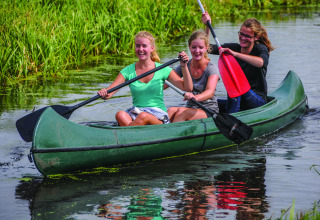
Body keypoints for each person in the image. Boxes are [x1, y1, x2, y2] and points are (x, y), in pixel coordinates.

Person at [98, 31, 193, 126]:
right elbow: (109, 94)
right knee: (120, 115)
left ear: (152, 48)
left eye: (144, 46)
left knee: (143, 116)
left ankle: (129, 135)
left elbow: (187, 88)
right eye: (137, 46)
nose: (140, 49)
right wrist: (104, 92)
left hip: (157, 116)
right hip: (136, 113)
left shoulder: (163, 69)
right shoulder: (127, 71)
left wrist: (183, 66)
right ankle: (135, 135)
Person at [202, 12, 275, 113]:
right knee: (207, 102)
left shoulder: (260, 49)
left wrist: (235, 54)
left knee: (237, 87)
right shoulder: (234, 47)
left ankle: (231, 119)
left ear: (256, 37)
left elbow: (261, 63)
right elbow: (206, 49)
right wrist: (207, 27)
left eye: (248, 36)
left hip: (257, 101)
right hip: (238, 101)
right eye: (241, 34)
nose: (243, 38)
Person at [167, 30, 220, 123]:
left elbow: (210, 92)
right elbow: (167, 82)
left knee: (182, 112)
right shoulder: (184, 65)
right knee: (170, 111)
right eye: (194, 47)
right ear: (189, 47)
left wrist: (195, 98)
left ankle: (172, 136)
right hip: (190, 108)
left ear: (206, 48)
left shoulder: (211, 68)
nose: (197, 51)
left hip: (208, 110)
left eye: (201, 47)